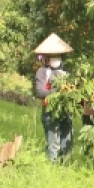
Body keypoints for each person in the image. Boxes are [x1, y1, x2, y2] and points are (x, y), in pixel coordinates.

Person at [33, 33, 74, 162]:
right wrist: (57, 91)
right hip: (50, 111)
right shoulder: (43, 72)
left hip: (65, 111)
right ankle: (52, 166)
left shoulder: (66, 73)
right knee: (53, 141)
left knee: (67, 140)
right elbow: (39, 92)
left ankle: (64, 167)